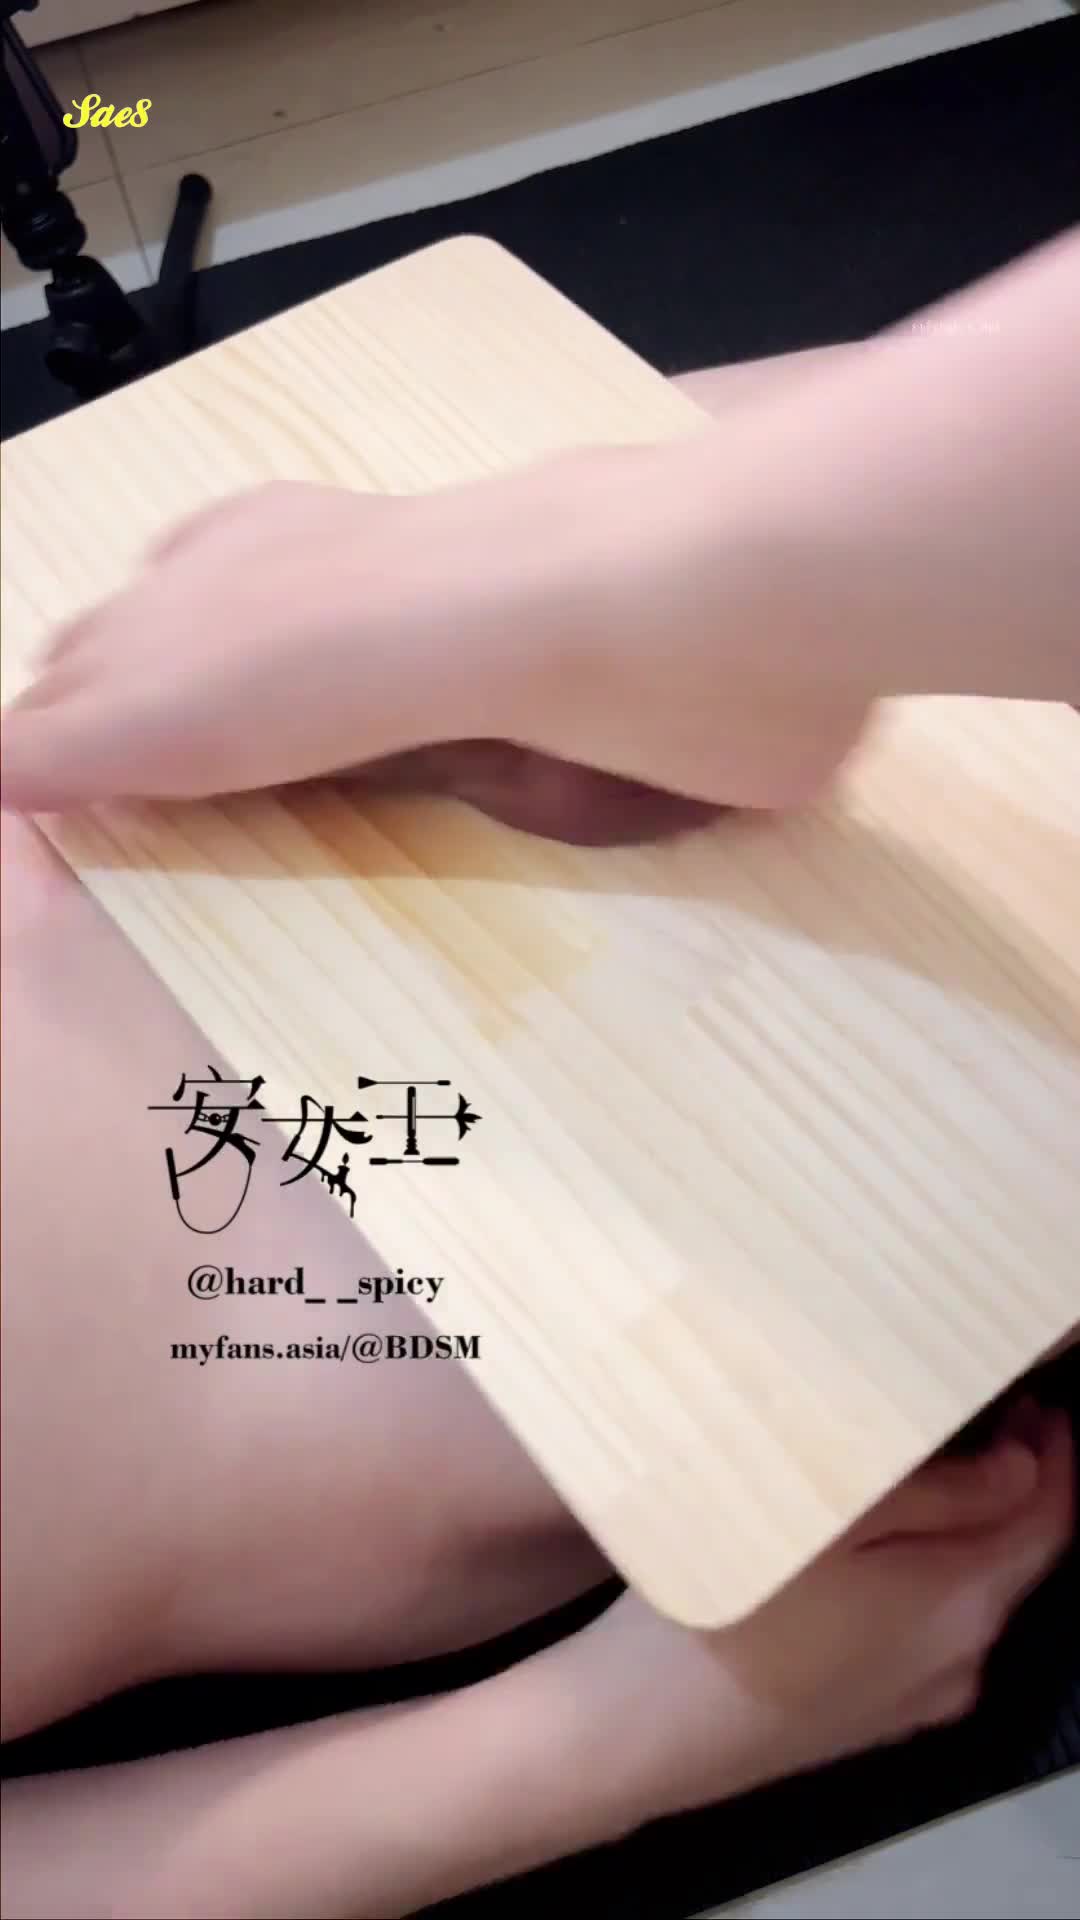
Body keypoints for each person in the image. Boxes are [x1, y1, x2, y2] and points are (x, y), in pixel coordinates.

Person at [1, 224, 1077, 1919]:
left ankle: (666, 560)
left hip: (151, 642)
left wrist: (621, 555)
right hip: (459, 1269)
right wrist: (591, 1752)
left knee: (821, 477)